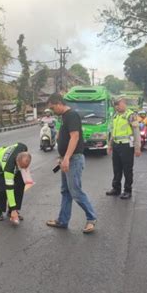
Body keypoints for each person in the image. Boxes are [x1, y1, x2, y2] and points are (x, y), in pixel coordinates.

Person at [45, 93, 97, 233]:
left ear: (59, 103)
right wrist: (62, 157)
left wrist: (67, 157)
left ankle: (91, 218)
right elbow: (65, 138)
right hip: (66, 158)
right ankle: (62, 220)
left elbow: (75, 137)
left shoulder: (72, 115)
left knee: (75, 191)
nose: (52, 111)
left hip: (73, 159)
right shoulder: (63, 117)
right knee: (65, 191)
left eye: (53, 107)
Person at [0, 143, 32, 225]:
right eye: (21, 167)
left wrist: (14, 209)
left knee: (21, 182)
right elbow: (9, 189)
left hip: (8, 160)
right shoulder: (9, 168)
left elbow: (19, 147)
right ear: (17, 162)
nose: (22, 169)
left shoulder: (23, 147)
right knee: (3, 187)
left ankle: (11, 211)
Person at [106, 97, 141, 199]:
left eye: (118, 104)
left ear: (124, 104)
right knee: (116, 169)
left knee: (127, 169)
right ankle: (116, 189)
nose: (117, 106)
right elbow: (113, 132)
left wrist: (137, 147)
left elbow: (136, 132)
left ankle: (127, 190)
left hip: (126, 146)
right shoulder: (115, 115)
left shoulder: (131, 115)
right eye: (115, 105)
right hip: (116, 145)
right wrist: (110, 145)